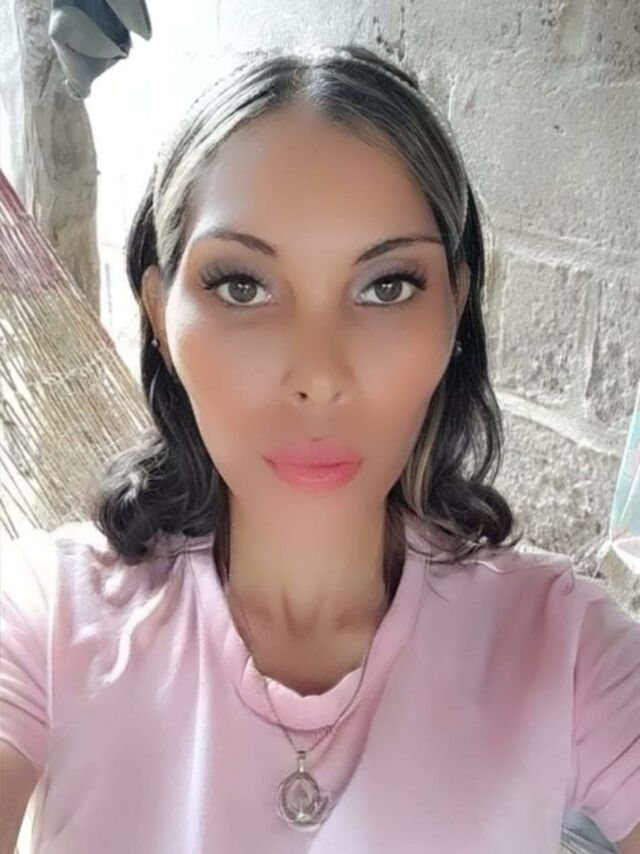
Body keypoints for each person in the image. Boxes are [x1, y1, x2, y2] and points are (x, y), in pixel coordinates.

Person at [1, 44, 639, 854]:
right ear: (159, 315)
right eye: (243, 287)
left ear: (455, 309)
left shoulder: (565, 651)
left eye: (386, 286)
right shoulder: (46, 615)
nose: (319, 377)